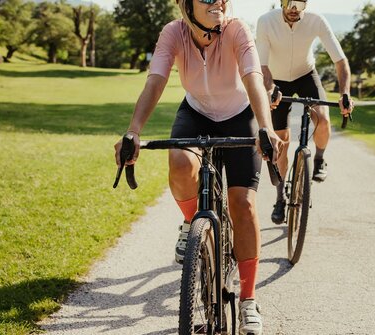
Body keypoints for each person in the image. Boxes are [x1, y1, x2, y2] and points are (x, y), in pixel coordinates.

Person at [114, 0, 281, 333]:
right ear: (184, 5)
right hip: (196, 114)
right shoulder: (172, 33)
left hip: (239, 116)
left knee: (243, 204)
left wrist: (266, 127)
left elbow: (251, 78)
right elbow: (155, 81)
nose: (217, 1)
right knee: (178, 161)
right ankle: (192, 224)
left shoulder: (236, 29)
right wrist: (133, 131)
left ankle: (248, 300)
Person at [256, 0, 354, 224]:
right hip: (276, 80)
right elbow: (262, 67)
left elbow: (340, 61)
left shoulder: (316, 20)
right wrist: (270, 89)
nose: (293, 8)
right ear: (281, 2)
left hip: (306, 75)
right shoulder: (265, 22)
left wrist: (345, 93)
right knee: (280, 142)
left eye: (299, 3)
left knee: (323, 119)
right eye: (288, 2)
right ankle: (280, 197)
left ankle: (319, 159)